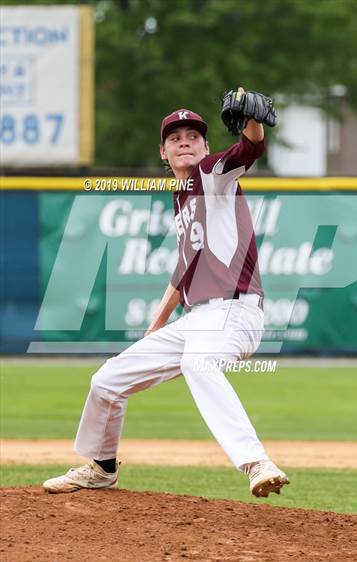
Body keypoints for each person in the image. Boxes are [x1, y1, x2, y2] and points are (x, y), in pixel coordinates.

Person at [43, 91, 289, 498]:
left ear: (206, 147)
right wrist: (156, 327)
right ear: (163, 152)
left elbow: (251, 146)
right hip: (197, 321)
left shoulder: (212, 174)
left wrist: (252, 121)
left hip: (235, 312)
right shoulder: (182, 198)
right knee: (107, 380)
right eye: (175, 138)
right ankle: (102, 468)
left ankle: (255, 462)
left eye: (193, 135)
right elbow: (183, 270)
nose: (185, 142)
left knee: (198, 362)